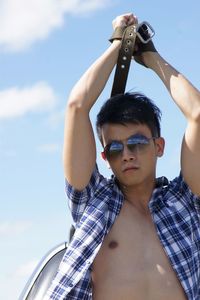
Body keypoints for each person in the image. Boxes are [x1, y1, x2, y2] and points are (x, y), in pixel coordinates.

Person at [45, 12, 200, 300]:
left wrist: (150, 56)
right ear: (105, 157)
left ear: (159, 146)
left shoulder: (184, 201)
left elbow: (198, 114)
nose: (126, 154)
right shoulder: (93, 201)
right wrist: (118, 43)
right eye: (115, 148)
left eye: (137, 142)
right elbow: (77, 105)